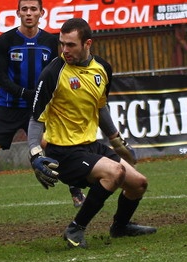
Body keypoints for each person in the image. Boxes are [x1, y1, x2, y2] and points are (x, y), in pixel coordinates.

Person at [26, 18, 156, 249]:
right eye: (62, 44)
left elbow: (100, 107)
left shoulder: (103, 69)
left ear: (87, 44)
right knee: (114, 173)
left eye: (71, 45)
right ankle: (76, 227)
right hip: (63, 153)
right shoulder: (53, 73)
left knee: (138, 184)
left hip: (90, 146)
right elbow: (36, 119)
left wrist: (116, 140)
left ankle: (120, 227)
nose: (65, 50)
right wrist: (35, 153)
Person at [0, 0, 84, 218]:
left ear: (42, 13)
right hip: (9, 106)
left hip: (40, 108)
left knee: (57, 147)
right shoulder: (6, 40)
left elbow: (59, 71)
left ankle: (76, 193)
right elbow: (0, 77)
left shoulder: (51, 41)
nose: (29, 13)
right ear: (18, 12)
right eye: (25, 9)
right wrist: (25, 93)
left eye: (33, 9)